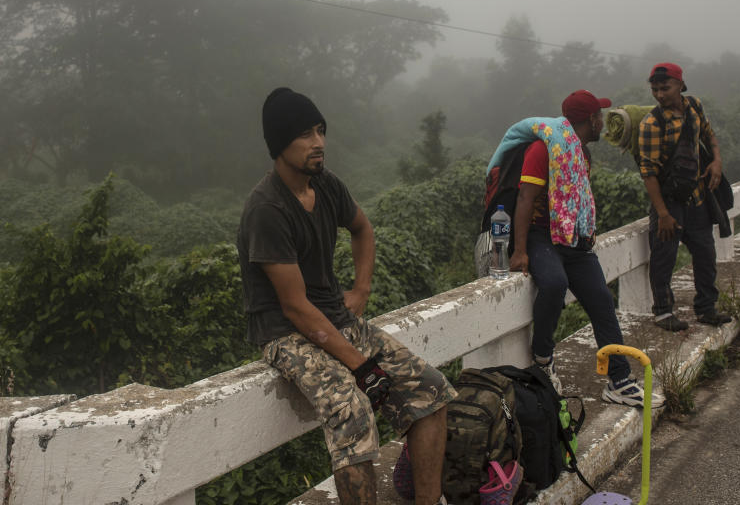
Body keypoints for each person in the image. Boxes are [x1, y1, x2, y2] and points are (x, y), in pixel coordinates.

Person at [237, 87, 456, 505]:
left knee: (431, 391)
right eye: (305, 134)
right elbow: (296, 308)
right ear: (280, 144)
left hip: (336, 319)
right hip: (285, 333)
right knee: (352, 413)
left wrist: (361, 288)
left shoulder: (328, 186)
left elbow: (362, 229)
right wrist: (361, 366)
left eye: (320, 130)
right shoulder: (267, 209)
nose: (318, 142)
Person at [507, 89, 664, 408]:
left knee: (602, 301)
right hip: (541, 235)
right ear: (590, 119)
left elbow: (578, 198)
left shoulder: (582, 153)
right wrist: (520, 250)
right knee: (553, 283)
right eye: (600, 117)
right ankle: (543, 358)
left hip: (574, 239)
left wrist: (586, 230)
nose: (603, 123)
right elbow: (524, 199)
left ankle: (619, 381)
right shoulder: (542, 150)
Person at [638, 62, 733, 331]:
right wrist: (664, 214)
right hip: (668, 202)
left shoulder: (694, 107)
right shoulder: (652, 124)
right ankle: (663, 312)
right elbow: (649, 173)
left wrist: (716, 161)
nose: (659, 94)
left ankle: (706, 307)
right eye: (655, 89)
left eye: (665, 88)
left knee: (705, 253)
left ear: (680, 85)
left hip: (697, 198)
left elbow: (708, 134)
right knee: (664, 256)